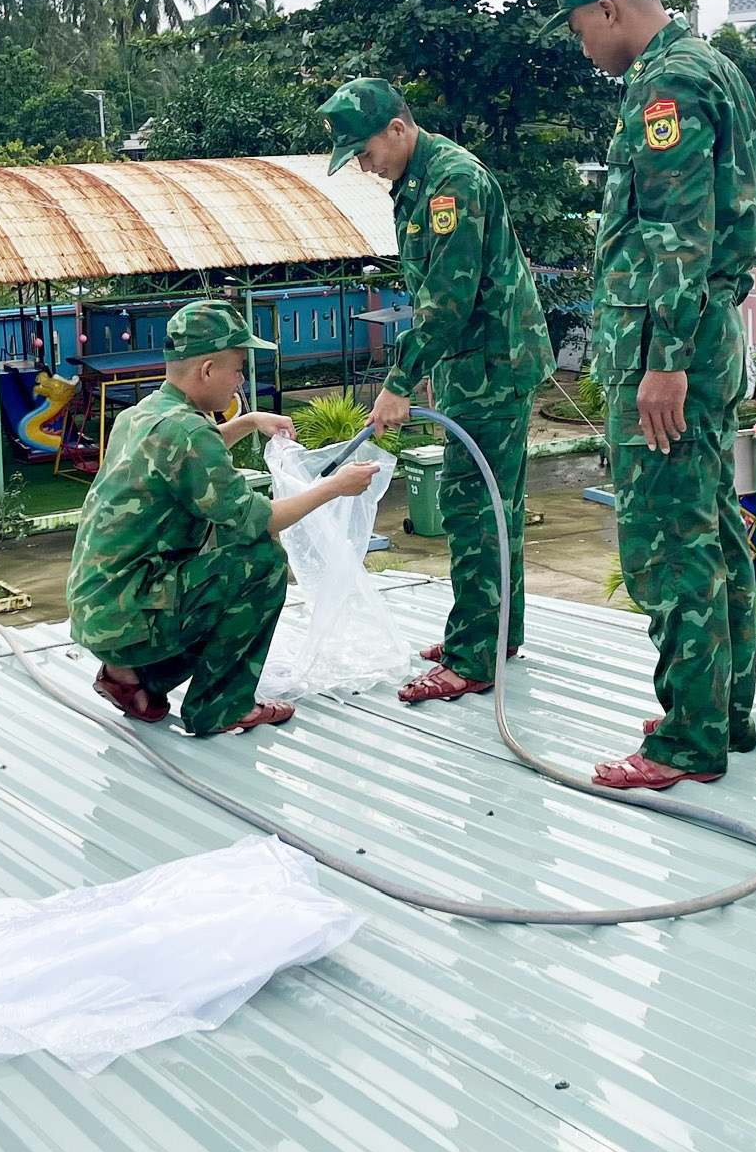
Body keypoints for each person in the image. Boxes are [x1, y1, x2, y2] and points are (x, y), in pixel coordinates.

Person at [545, 0, 756, 791]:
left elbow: (679, 232)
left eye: (577, 29)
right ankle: (718, 710)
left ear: (607, 10)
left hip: (670, 349)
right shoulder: (712, 66)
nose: (581, 48)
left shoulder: (666, 84)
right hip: (707, 340)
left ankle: (688, 741)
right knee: (711, 526)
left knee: (670, 542)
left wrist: (663, 363)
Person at [319, 77, 553, 704]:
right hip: (473, 363)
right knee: (493, 504)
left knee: (472, 508)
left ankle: (474, 656)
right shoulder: (417, 182)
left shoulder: (452, 181)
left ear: (398, 128)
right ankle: (496, 633)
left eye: (366, 152)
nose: (367, 167)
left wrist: (397, 383)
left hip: (492, 365)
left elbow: (447, 299)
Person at [66, 298, 380, 734]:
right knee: (261, 562)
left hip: (97, 609)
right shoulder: (188, 431)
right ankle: (222, 708)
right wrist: (334, 487)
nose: (240, 380)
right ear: (207, 370)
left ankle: (130, 678)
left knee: (221, 565)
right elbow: (262, 519)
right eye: (236, 369)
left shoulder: (142, 416)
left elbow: (191, 452)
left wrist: (249, 421)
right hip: (128, 615)